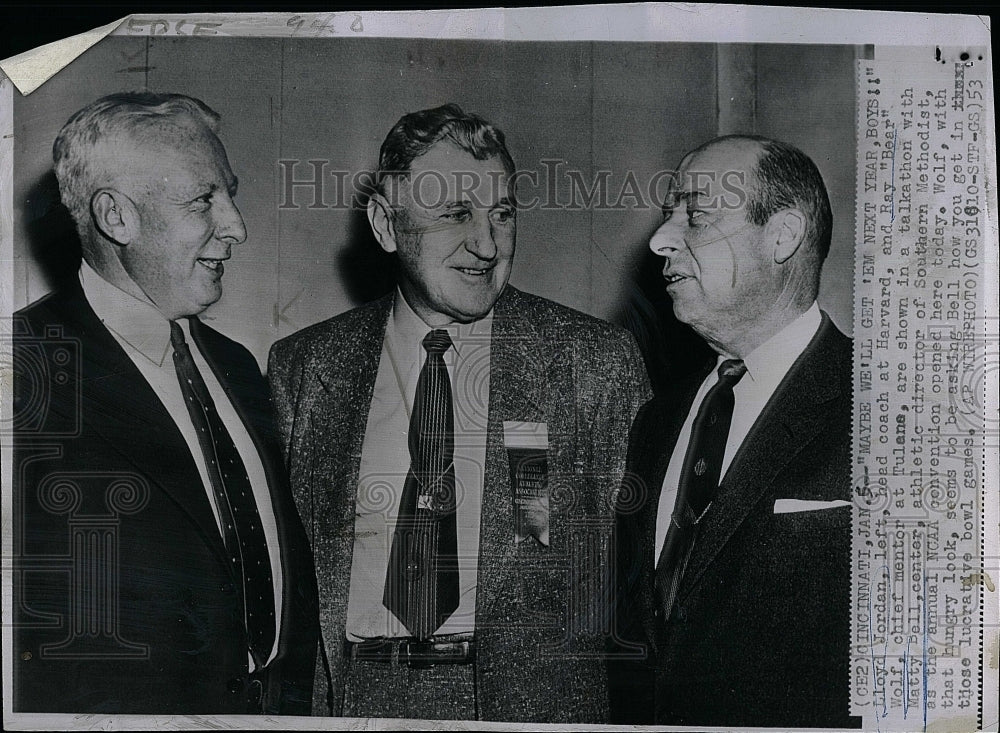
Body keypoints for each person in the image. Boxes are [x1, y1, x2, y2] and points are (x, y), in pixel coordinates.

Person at [268, 103, 650, 722]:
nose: (487, 244)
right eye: (457, 215)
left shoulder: (591, 360)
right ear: (387, 226)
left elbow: (636, 583)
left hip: (530, 708)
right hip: (355, 697)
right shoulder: (305, 366)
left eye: (502, 214)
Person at [12, 92, 318, 715]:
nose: (237, 227)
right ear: (116, 217)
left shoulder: (238, 365)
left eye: (229, 195)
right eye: (204, 199)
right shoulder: (21, 371)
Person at [610, 134, 858, 728]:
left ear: (782, 236)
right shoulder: (658, 420)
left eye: (695, 214)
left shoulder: (886, 410)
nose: (660, 239)